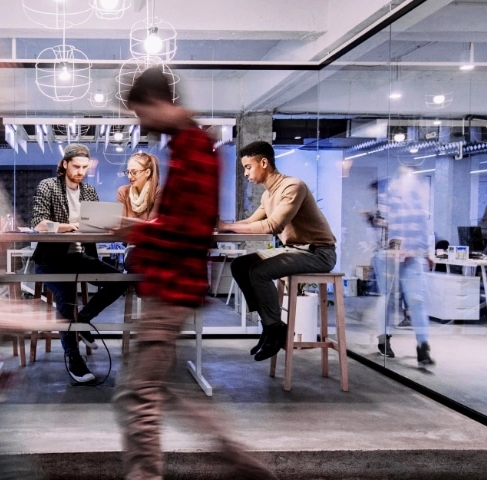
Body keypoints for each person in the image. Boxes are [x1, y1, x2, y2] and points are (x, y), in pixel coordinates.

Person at [114, 67, 278, 480]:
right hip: (172, 283)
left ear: (156, 102)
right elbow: (187, 223)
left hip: (172, 284)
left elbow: (192, 228)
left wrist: (138, 230)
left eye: (140, 113)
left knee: (138, 395)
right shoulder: (188, 144)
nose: (141, 122)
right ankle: (240, 462)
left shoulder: (192, 147)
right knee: (154, 387)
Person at [220, 140, 337, 362]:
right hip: (294, 249)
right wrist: (222, 225)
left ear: (263, 162)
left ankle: (274, 329)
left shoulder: (293, 186)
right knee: (240, 265)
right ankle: (269, 324)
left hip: (318, 253)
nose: (245, 173)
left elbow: (273, 226)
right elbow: (250, 223)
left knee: (258, 272)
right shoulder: (267, 195)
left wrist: (226, 227)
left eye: (248, 167)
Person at [31, 143, 130, 384]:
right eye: (76, 166)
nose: (81, 171)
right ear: (65, 164)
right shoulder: (49, 186)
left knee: (120, 281)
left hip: (78, 257)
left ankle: (82, 320)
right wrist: (67, 226)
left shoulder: (89, 192)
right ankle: (74, 360)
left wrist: (106, 227)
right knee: (66, 298)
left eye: (85, 167)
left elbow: (92, 228)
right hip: (50, 260)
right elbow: (38, 224)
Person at [370, 169, 435, 367]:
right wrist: (395, 248)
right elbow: (383, 227)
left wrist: (426, 253)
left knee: (417, 300)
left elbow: (423, 226)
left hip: (411, 256)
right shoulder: (387, 197)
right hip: (388, 257)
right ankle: (384, 339)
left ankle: (423, 346)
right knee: (388, 299)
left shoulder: (417, 200)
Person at [116, 152, 162, 221]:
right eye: (128, 172)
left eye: (134, 172)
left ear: (147, 173)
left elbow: (151, 228)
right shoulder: (123, 191)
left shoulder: (158, 192)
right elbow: (119, 224)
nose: (129, 176)